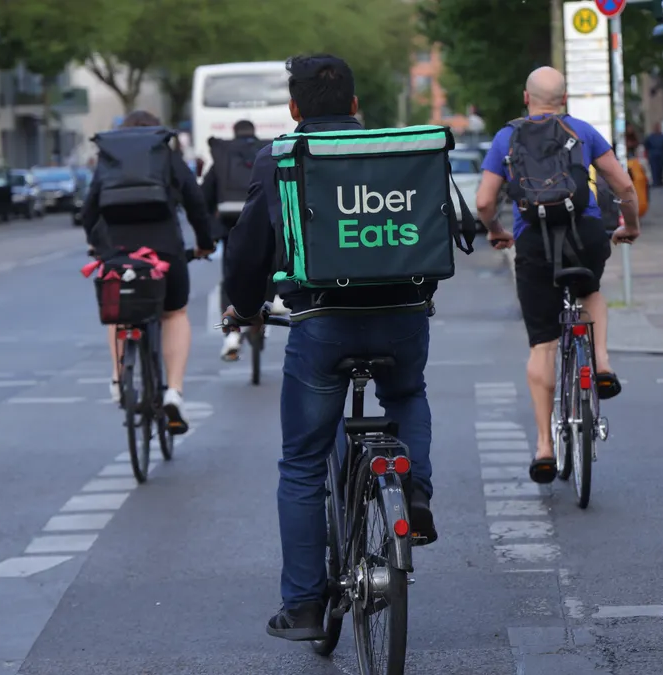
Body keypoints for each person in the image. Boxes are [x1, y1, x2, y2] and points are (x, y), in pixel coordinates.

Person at [221, 53, 438, 641]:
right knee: (406, 391)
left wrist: (243, 309)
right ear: (355, 105)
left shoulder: (281, 158)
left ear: (293, 109)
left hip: (322, 325)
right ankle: (414, 492)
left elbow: (249, 249)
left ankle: (305, 606)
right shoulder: (400, 150)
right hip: (402, 315)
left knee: (302, 463)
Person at [475, 66, 641, 485]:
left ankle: (545, 447)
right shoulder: (584, 131)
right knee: (591, 293)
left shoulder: (505, 138)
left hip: (534, 243)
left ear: (526, 98)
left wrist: (497, 232)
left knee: (543, 345)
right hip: (584, 235)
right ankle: (602, 363)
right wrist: (630, 225)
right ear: (564, 100)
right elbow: (623, 186)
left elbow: (483, 202)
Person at [81, 110, 215, 432]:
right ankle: (173, 391)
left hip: (117, 252)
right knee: (174, 314)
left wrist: (96, 245)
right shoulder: (166, 158)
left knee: (119, 312)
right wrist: (205, 243)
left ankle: (117, 378)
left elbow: (89, 209)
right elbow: (195, 202)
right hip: (165, 251)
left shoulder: (109, 161)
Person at [202, 119, 273, 361]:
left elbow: (205, 196)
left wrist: (208, 233)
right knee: (268, 271)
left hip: (229, 222)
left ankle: (231, 334)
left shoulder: (223, 157)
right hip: (264, 221)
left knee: (229, 278)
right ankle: (263, 314)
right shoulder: (266, 153)